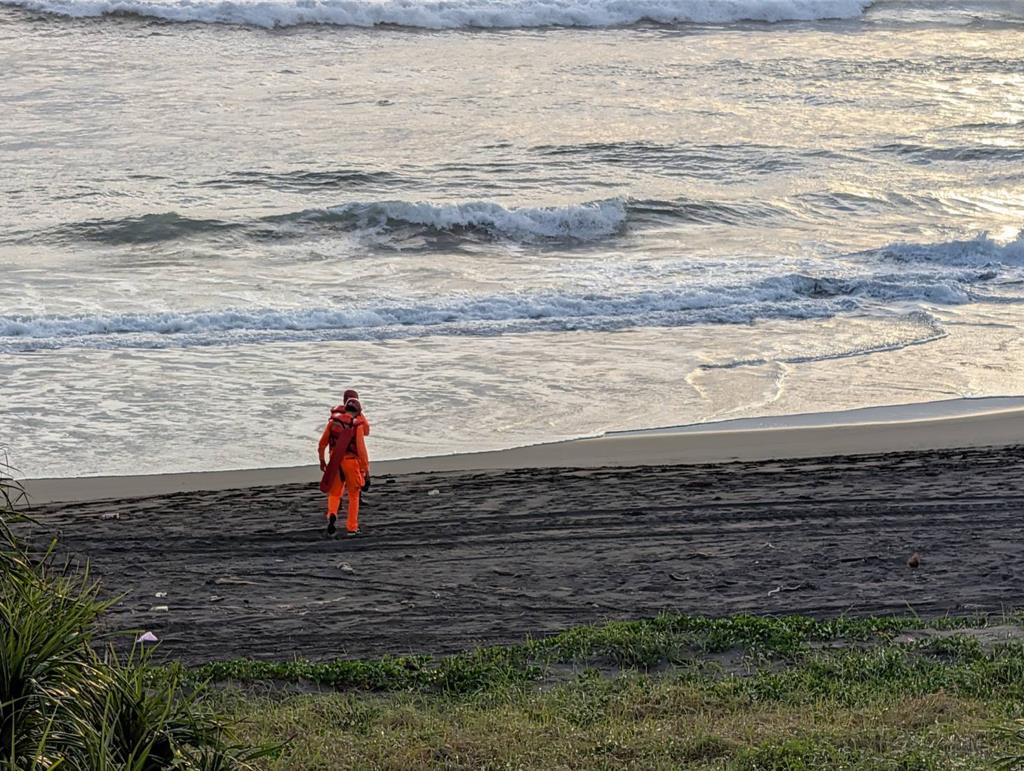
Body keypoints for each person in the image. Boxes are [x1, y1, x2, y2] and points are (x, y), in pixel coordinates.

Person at [317, 396, 370, 537]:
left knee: (334, 493)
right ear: (358, 412)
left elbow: (322, 444)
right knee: (353, 494)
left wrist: (322, 461)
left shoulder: (333, 422)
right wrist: (365, 469)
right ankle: (352, 527)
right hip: (351, 462)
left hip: (335, 461)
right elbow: (361, 449)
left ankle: (332, 514)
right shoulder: (356, 425)